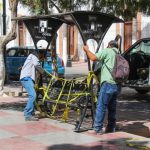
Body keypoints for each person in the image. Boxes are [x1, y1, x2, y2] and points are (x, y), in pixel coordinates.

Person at [83, 40, 121, 134]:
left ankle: (98, 129)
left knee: (101, 106)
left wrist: (87, 50)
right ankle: (111, 128)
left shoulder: (108, 51)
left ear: (109, 45)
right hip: (117, 85)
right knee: (112, 108)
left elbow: (93, 57)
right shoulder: (119, 54)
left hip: (107, 83)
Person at [20, 50, 45, 121]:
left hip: (27, 78)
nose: (41, 59)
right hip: (26, 78)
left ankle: (27, 111)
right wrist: (43, 72)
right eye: (42, 57)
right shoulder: (34, 56)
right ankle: (28, 115)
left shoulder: (32, 56)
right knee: (33, 95)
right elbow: (37, 65)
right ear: (40, 53)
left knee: (33, 95)